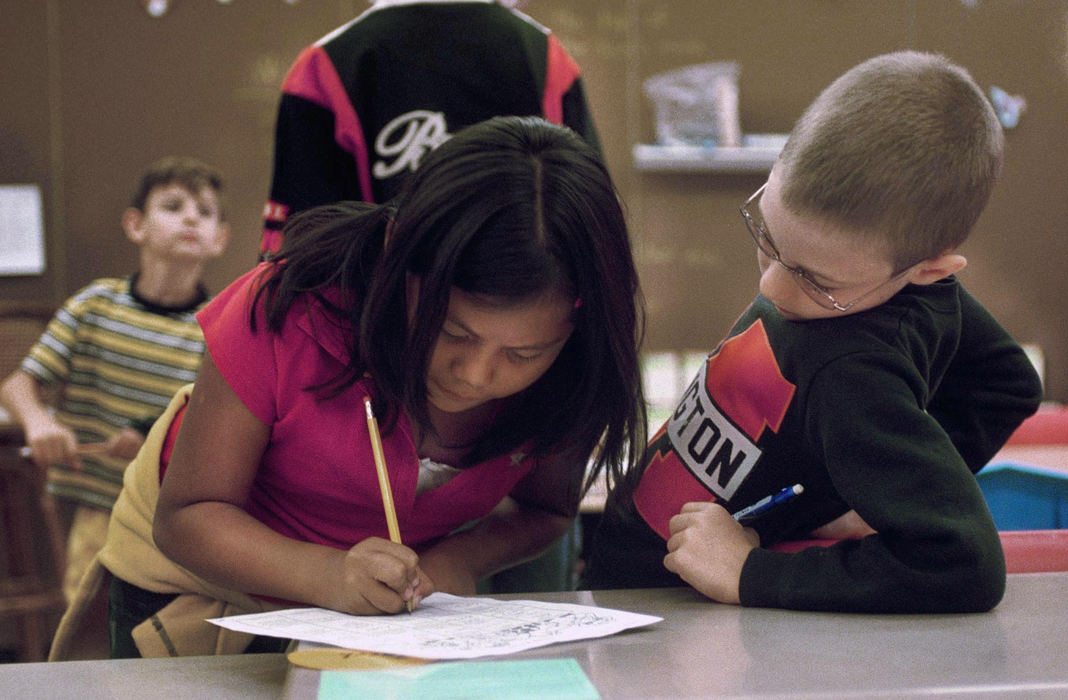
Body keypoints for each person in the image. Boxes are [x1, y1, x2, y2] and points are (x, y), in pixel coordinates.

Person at [50, 116, 645, 659]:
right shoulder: (289, 307)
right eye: (450, 331)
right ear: (398, 258)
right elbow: (188, 516)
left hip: (378, 620)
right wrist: (326, 575)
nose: (475, 375)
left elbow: (544, 508)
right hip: (194, 584)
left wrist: (458, 558)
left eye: (524, 354)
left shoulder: (581, 367)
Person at [583, 51, 1043, 613]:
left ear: (929, 270)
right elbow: (1008, 380)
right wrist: (862, 502)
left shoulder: (854, 379)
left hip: (675, 615)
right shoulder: (891, 277)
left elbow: (962, 562)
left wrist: (754, 574)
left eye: (815, 279)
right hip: (624, 566)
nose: (773, 289)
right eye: (769, 238)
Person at [0, 157, 229, 604]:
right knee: (89, 634)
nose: (190, 218)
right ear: (135, 224)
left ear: (220, 238)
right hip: (100, 514)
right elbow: (17, 385)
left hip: (180, 524)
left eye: (204, 212)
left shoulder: (220, 327)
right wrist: (39, 422)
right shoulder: (94, 305)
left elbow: (215, 430)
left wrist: (152, 443)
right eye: (173, 205)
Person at [260, 0, 602, 257]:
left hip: (381, 336)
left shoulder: (326, 62)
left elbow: (299, 252)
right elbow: (596, 224)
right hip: (530, 337)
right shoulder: (542, 51)